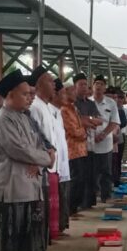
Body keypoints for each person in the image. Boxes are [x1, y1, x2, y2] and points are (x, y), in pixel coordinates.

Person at [0, 70, 54, 251]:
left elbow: (39, 144)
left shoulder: (24, 117)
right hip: (12, 187)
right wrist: (45, 159)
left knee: (29, 233)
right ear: (10, 95)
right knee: (14, 234)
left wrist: (40, 160)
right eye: (25, 94)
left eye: (30, 94)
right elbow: (19, 150)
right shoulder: (3, 120)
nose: (29, 98)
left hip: (30, 185)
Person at [29, 64, 64, 240]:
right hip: (42, 165)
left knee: (50, 207)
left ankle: (48, 237)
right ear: (39, 85)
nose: (54, 85)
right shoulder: (35, 107)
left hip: (51, 163)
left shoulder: (47, 107)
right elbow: (36, 138)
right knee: (42, 207)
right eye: (50, 81)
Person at [73, 73, 103, 208]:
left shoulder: (90, 104)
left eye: (86, 84)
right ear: (75, 86)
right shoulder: (72, 104)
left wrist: (87, 120)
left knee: (90, 174)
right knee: (78, 176)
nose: (84, 87)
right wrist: (88, 120)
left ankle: (88, 203)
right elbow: (76, 121)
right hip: (75, 146)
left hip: (90, 144)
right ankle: (77, 204)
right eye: (81, 84)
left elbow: (99, 120)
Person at [89, 75, 121, 205]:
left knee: (106, 172)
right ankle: (91, 198)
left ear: (105, 88)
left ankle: (106, 196)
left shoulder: (110, 103)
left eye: (101, 84)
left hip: (105, 142)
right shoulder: (87, 101)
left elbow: (114, 121)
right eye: (96, 83)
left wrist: (103, 134)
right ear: (93, 86)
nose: (99, 86)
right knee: (91, 173)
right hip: (90, 143)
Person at [60, 83, 88, 219]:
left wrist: (82, 131)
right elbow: (74, 131)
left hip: (81, 149)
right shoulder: (64, 110)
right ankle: (70, 210)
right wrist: (84, 132)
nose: (75, 93)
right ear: (65, 92)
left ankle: (74, 208)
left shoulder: (74, 108)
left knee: (80, 180)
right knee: (74, 181)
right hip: (72, 150)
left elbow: (79, 127)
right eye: (72, 91)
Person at [52, 80, 72, 233]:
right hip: (54, 164)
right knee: (57, 198)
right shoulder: (45, 110)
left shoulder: (58, 112)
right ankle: (57, 229)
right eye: (63, 92)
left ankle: (62, 226)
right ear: (55, 94)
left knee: (64, 195)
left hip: (62, 162)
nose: (66, 96)